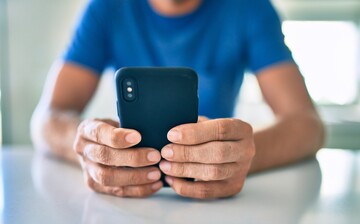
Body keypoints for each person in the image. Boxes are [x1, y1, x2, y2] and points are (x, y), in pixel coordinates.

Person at [31, 0, 325, 199]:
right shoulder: (106, 7)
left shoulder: (249, 7)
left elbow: (308, 125)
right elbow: (46, 118)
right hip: (132, 205)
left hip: (214, 208)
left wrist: (242, 156)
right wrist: (89, 145)